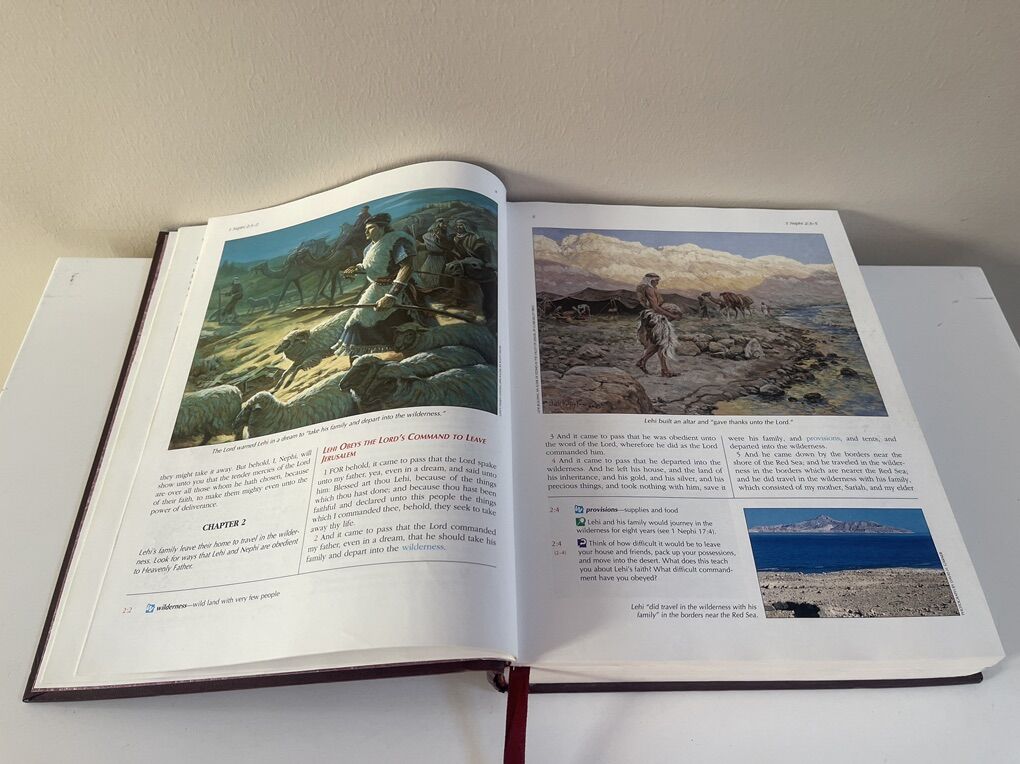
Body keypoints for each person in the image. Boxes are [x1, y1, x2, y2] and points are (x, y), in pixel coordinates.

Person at [333, 213, 428, 360]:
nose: (366, 231)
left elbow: (406, 267)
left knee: (404, 327)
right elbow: (369, 266)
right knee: (356, 324)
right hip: (377, 288)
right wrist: (356, 269)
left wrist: (391, 296)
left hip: (400, 289)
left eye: (370, 228)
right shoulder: (369, 248)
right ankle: (363, 364)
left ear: (383, 227)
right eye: (366, 229)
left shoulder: (397, 241)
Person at [635, 273, 681, 377]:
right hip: (655, 318)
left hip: (652, 317)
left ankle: (643, 362)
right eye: (656, 280)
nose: (658, 282)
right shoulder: (650, 290)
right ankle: (664, 371)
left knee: (657, 344)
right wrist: (672, 315)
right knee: (662, 344)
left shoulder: (650, 289)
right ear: (650, 280)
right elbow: (655, 307)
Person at [420, 217, 454, 289]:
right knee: (429, 274)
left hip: (444, 257)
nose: (445, 225)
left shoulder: (448, 235)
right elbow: (431, 245)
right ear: (438, 224)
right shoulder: (428, 235)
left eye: (446, 224)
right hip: (432, 258)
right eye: (443, 223)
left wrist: (442, 238)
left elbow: (449, 246)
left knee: (444, 274)